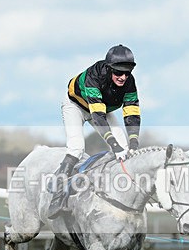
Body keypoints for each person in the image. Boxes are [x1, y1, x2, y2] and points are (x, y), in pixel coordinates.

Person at [47, 44, 141, 218]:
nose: (123, 77)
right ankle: (57, 193)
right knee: (76, 148)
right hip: (75, 105)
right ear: (108, 68)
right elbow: (97, 117)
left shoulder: (129, 82)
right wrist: (114, 145)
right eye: (118, 72)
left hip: (101, 107)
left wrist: (134, 142)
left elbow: (132, 112)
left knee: (125, 149)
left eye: (127, 73)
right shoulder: (94, 76)